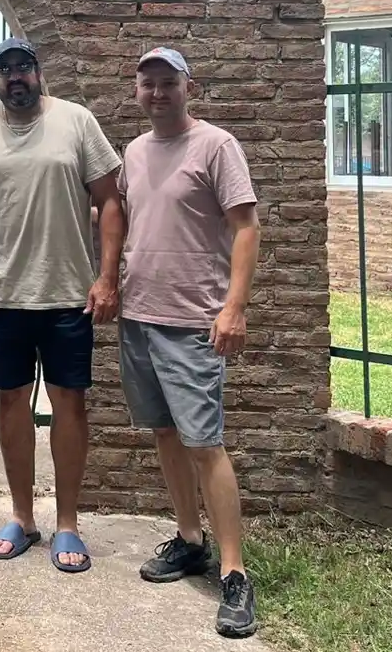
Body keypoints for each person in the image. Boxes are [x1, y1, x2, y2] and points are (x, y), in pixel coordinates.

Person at [0, 36, 124, 571]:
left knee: (69, 403)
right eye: (4, 70)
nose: (15, 77)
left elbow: (111, 201)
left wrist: (107, 277)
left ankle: (67, 524)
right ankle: (23, 517)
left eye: (23, 67)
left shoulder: (76, 121)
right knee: (11, 402)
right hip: (3, 295)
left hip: (68, 293)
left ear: (38, 72)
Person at [118, 46, 261, 640]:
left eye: (167, 83)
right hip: (138, 315)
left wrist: (234, 308)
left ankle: (234, 572)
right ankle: (189, 539)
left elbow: (246, 225)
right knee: (165, 433)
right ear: (138, 90)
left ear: (188, 87)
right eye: (148, 83)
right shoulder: (133, 150)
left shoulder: (216, 146)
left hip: (194, 320)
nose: (157, 93)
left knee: (205, 442)